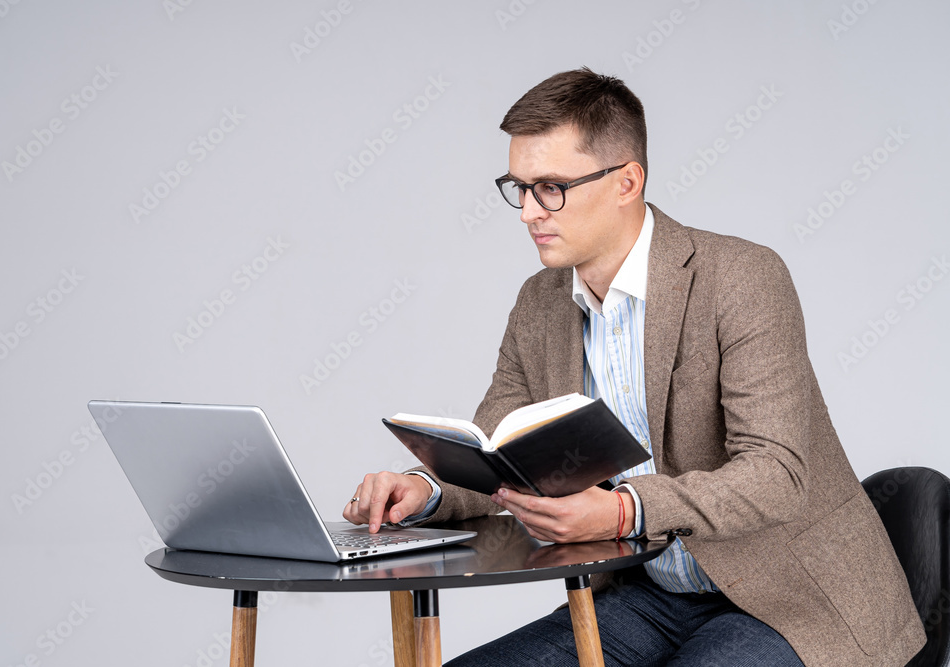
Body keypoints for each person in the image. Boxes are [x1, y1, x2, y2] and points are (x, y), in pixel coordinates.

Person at [343, 68, 926, 666]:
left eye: (550, 187)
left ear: (626, 182)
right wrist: (427, 488)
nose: (527, 212)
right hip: (645, 596)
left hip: (788, 597)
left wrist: (624, 509)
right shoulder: (538, 303)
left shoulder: (743, 278)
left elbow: (777, 474)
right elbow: (501, 458)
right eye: (517, 187)